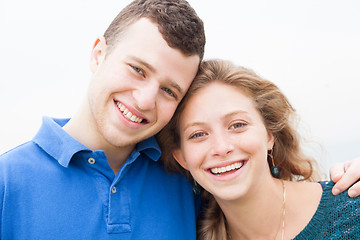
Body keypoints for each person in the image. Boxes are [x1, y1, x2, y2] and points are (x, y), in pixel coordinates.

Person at [0, 0, 205, 239]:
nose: (145, 101)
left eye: (169, 91)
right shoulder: (7, 181)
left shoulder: (189, 184)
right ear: (98, 55)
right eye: (138, 69)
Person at [157, 59, 360, 239]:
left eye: (237, 125)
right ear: (181, 157)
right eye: (198, 134)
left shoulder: (352, 209)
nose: (221, 148)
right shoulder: (187, 232)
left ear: (269, 134)